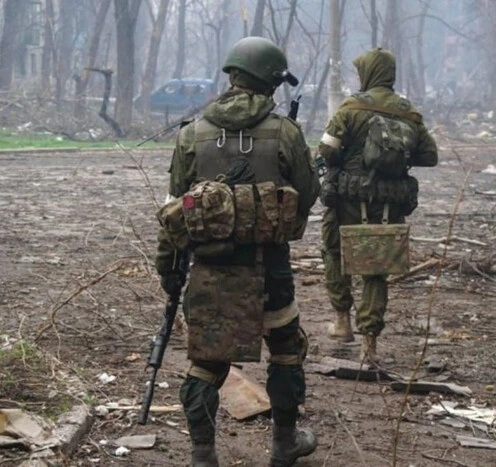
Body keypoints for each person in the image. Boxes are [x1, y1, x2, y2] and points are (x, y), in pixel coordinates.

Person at [155, 36, 320, 467]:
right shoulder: (285, 132)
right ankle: (284, 445)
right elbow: (307, 196)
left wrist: (168, 269)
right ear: (269, 81)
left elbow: (175, 210)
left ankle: (202, 455)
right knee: (286, 351)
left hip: (210, 269)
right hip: (271, 271)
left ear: (231, 75)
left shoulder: (192, 133)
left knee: (207, 362)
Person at [317, 47, 438, 363]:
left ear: (368, 74)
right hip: (388, 204)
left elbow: (327, 150)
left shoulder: (350, 108)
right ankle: (369, 343)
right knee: (376, 269)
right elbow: (430, 155)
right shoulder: (408, 112)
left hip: (347, 201)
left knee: (334, 251)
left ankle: (342, 321)